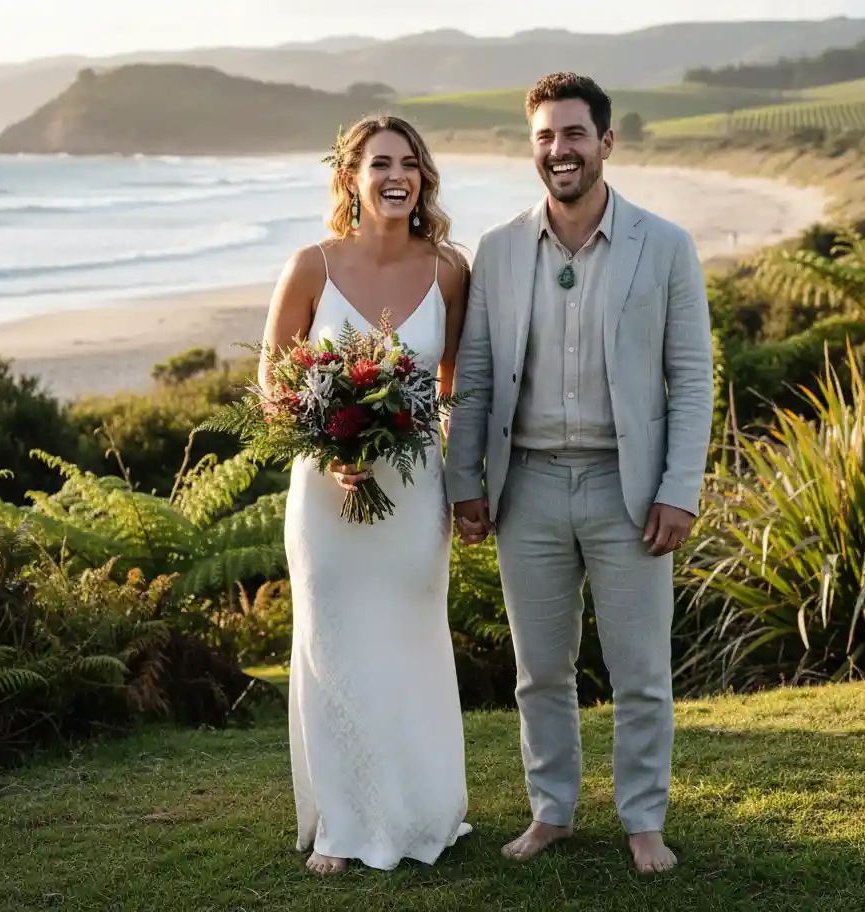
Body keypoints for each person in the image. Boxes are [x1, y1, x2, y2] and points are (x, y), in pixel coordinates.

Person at [445, 72, 714, 874]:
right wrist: (466, 482)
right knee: (540, 672)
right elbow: (479, 375)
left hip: (626, 492)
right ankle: (552, 812)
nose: (558, 151)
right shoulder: (497, 250)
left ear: (606, 142)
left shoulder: (664, 245)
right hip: (524, 487)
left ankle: (643, 823)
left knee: (639, 672)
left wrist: (679, 489)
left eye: (572, 135)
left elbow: (693, 377)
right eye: (544, 138)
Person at [260, 115, 471, 874]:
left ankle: (422, 811)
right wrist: (331, 448)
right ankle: (342, 826)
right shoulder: (311, 265)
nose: (397, 175)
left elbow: (454, 386)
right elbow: (272, 386)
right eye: (380, 162)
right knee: (336, 647)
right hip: (326, 497)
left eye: (410, 163)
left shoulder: (449, 269)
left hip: (415, 494)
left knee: (411, 645)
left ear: (423, 178)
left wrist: (444, 458)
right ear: (350, 175)